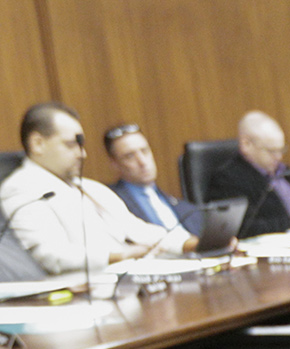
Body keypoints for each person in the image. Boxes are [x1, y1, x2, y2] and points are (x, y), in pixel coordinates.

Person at [1, 102, 192, 273]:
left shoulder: (90, 187)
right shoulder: (20, 189)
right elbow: (51, 255)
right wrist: (120, 254)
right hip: (87, 294)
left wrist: (192, 244)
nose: (82, 154)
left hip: (135, 278)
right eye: (71, 145)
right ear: (37, 144)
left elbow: (138, 230)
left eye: (81, 145)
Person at [206, 111, 290, 236]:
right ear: (246, 145)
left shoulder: (285, 172)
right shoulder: (228, 179)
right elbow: (241, 228)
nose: (279, 157)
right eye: (272, 151)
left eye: (281, 150)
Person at [104, 124, 201, 236]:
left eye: (144, 151)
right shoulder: (110, 204)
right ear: (115, 164)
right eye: (130, 156)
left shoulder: (188, 209)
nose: (142, 162)